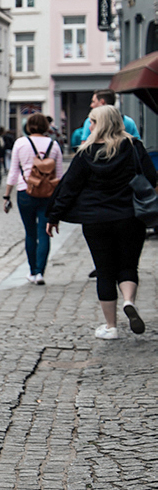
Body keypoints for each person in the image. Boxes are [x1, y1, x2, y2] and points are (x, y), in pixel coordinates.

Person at [48, 105, 156, 339]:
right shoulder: (134, 147)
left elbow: (69, 187)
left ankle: (111, 327)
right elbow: (151, 177)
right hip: (130, 216)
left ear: (101, 123)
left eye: (93, 121)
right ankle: (129, 301)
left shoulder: (86, 153)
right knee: (128, 266)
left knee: (105, 271)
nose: (90, 125)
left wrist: (54, 216)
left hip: (96, 220)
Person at [3, 113, 64, 285]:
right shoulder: (54, 145)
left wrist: (7, 195)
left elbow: (13, 172)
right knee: (45, 232)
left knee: (30, 233)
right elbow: (59, 175)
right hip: (48, 194)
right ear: (46, 126)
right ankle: (40, 273)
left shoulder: (21, 143)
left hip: (25, 192)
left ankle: (32, 271)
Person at [70, 88, 140, 148]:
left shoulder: (90, 121)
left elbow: (84, 144)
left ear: (102, 102)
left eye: (93, 101)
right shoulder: (129, 121)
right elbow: (137, 143)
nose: (91, 105)